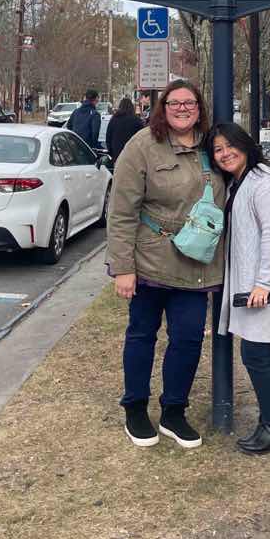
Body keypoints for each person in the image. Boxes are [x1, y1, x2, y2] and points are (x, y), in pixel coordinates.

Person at [106, 80, 225, 450]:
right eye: (175, 103)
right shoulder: (142, 146)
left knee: (188, 338)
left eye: (189, 103)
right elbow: (121, 211)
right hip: (150, 262)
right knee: (142, 335)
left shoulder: (212, 144)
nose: (182, 108)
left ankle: (174, 411)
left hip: (196, 263)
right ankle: (135, 408)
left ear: (199, 108)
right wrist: (123, 267)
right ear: (163, 108)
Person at [207, 123, 270, 456]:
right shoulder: (240, 181)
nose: (225, 154)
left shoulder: (264, 181)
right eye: (217, 149)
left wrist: (262, 284)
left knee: (255, 353)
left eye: (230, 146)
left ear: (245, 144)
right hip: (252, 283)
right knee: (264, 353)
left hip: (268, 283)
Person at [105, 96, 145, 166]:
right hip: (133, 155)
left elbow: (108, 138)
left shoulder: (114, 120)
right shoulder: (137, 121)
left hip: (117, 155)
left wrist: (112, 153)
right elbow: (142, 139)